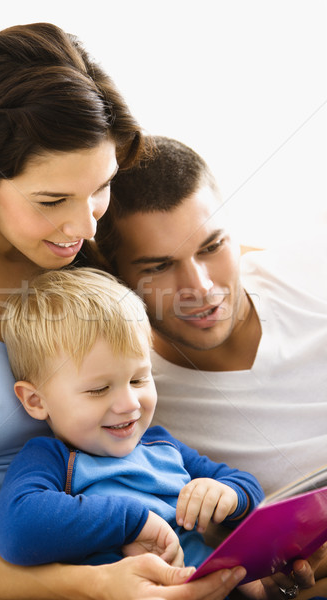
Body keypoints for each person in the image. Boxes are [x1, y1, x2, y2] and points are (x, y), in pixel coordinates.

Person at [0, 24, 248, 600]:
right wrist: (91, 586)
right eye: (51, 201)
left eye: (100, 187)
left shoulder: (87, 254)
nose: (84, 227)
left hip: (122, 554)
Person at [95, 136, 327, 597]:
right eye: (160, 266)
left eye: (212, 246)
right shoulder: (130, 401)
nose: (199, 287)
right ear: (117, 277)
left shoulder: (308, 271)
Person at [0, 267, 264, 574]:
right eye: (98, 389)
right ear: (36, 401)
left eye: (139, 379)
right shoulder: (52, 459)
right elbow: (16, 530)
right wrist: (133, 521)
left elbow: (248, 488)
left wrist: (227, 496)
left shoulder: (162, 445)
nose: (129, 403)